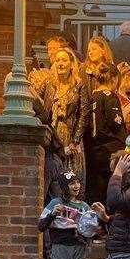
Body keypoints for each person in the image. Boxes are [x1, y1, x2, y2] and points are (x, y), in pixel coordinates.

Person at [38, 47, 91, 186]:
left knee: (71, 173)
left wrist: (76, 139)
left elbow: (84, 113)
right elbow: (38, 103)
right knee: (52, 170)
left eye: (64, 60)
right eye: (58, 60)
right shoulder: (49, 83)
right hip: (52, 133)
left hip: (70, 134)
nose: (60, 63)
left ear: (71, 63)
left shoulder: (79, 84)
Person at [87, 62, 125, 205]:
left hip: (94, 150)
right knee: (110, 190)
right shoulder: (109, 96)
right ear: (114, 78)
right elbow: (115, 122)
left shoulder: (92, 96)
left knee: (96, 192)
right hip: (110, 149)